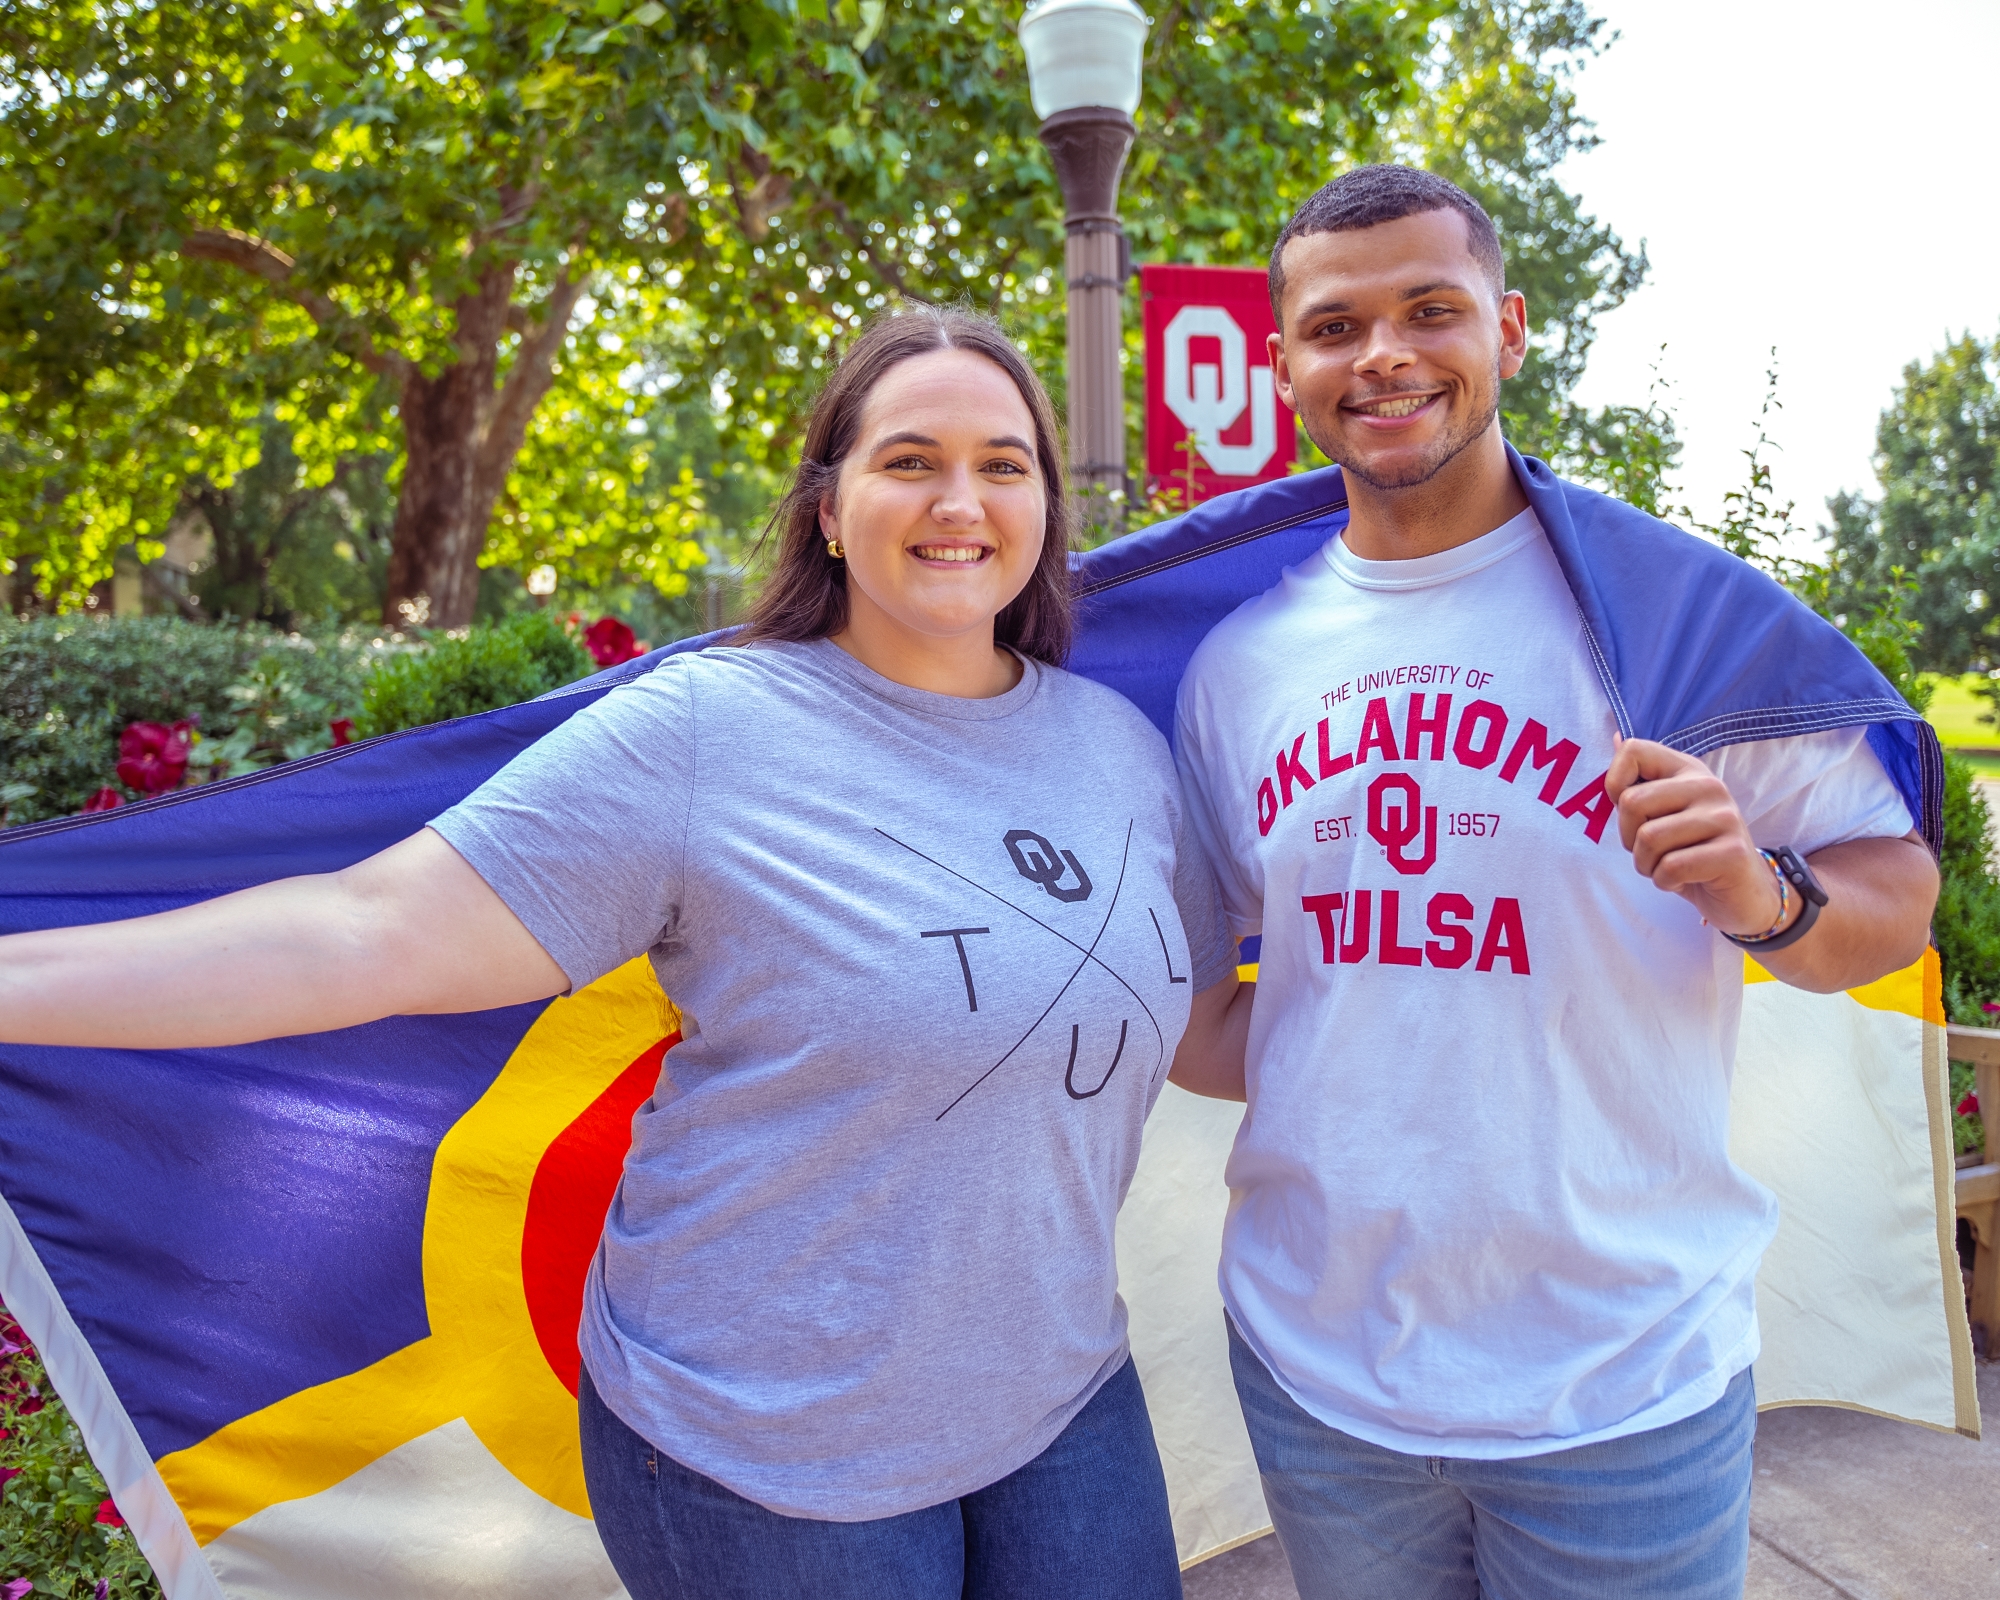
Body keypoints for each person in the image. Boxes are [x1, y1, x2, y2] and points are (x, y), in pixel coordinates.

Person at [0, 305, 1241, 1600]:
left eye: (1003, 463)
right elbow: (362, 932)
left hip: (1059, 1393)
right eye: (910, 458)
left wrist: (1448, 1018)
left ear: (1046, 503)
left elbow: (1204, 1030)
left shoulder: (1118, 751)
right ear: (828, 504)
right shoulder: (706, 733)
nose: (960, 499)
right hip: (763, 1439)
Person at [1166, 165, 1940, 1600]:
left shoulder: (1671, 624)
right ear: (1285, 365)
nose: (1384, 354)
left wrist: (1765, 898)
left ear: (1509, 331)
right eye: (1336, 326)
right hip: (1323, 1375)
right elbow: (1219, 1011)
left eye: (1430, 309)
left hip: (1621, 1385)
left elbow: (1894, 899)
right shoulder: (1236, 672)